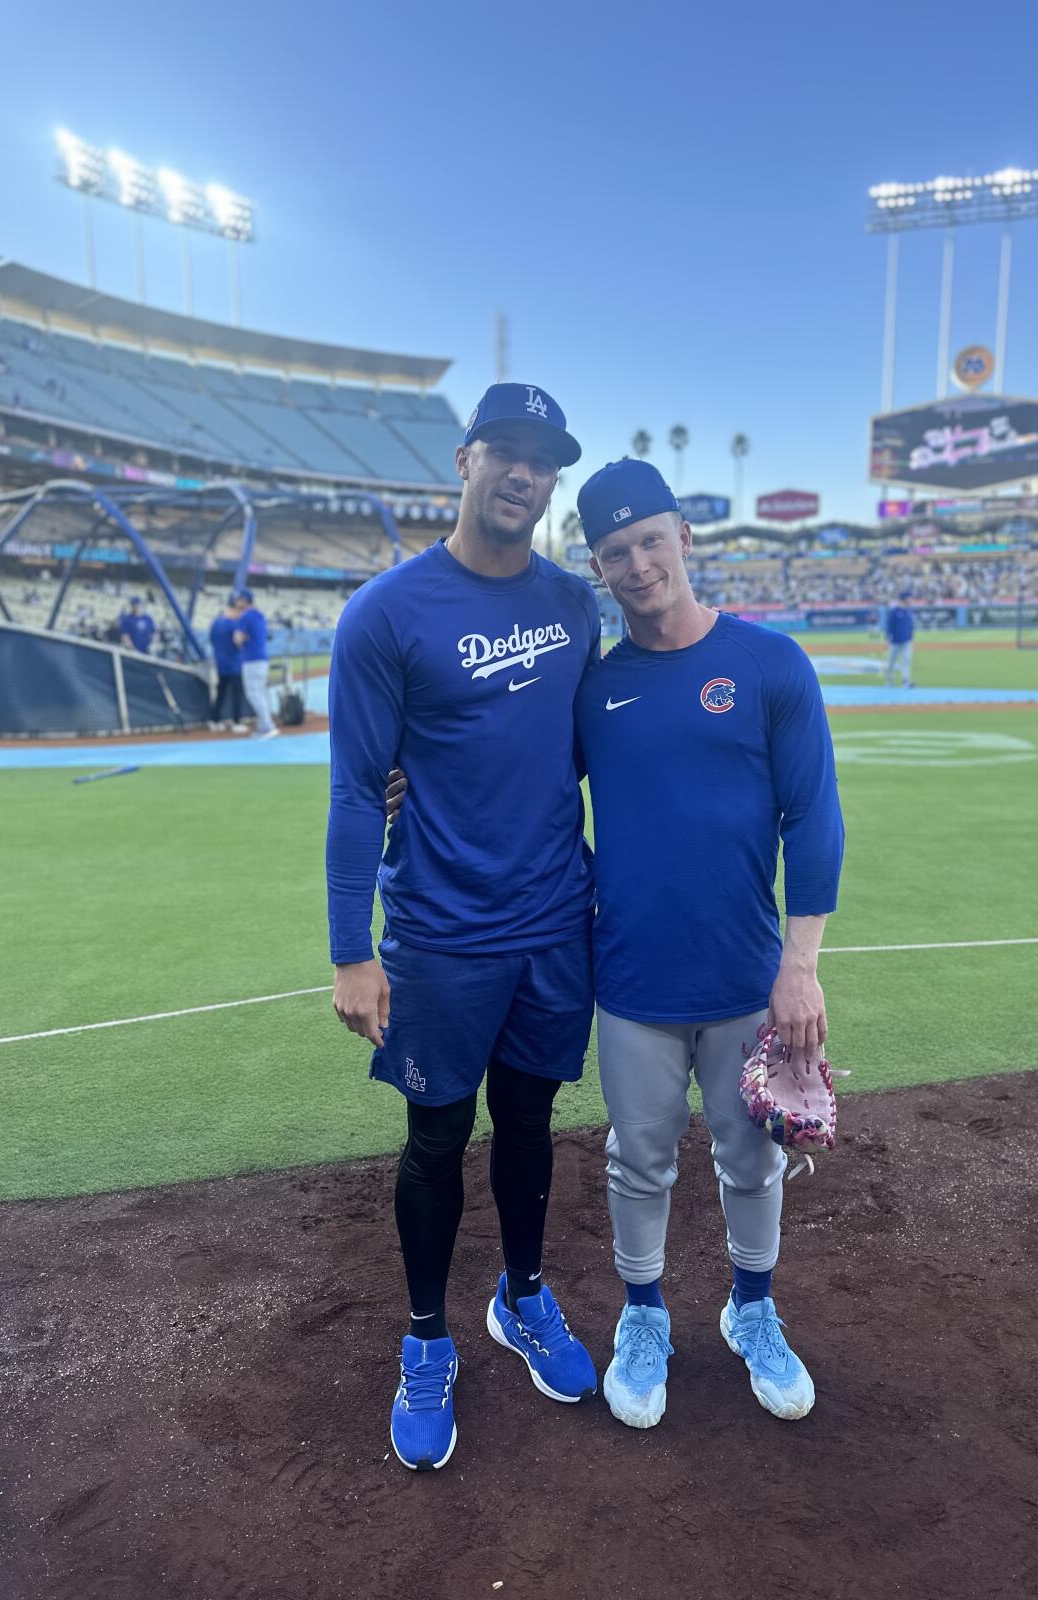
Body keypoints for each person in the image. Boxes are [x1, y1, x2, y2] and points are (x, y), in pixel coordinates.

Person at [327, 382, 599, 1472]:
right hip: (438, 935)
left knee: (530, 1124)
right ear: (465, 459)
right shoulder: (387, 611)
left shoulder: (576, 604)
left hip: (551, 922)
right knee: (436, 1136)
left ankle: (522, 1295)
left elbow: (587, 752)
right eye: (508, 452)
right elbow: (356, 788)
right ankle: (428, 1336)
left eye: (544, 458)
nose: (525, 473)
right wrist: (352, 947)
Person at [573, 460, 844, 1431]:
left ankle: (751, 1307)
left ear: (685, 538)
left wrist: (800, 964)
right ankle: (644, 1318)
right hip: (633, 975)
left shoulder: (770, 665)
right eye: (615, 551)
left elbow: (815, 820)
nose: (638, 564)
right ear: (598, 567)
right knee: (638, 1157)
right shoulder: (594, 687)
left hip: (745, 974)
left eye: (650, 540)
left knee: (751, 1155)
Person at [232, 588, 277, 740]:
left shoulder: (246, 616)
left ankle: (267, 726)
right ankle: (265, 725)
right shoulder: (259, 615)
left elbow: (237, 639)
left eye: (239, 600)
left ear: (245, 601)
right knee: (260, 693)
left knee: (254, 694)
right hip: (261, 658)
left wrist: (241, 639)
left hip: (251, 659)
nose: (237, 602)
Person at [208, 600, 244, 732]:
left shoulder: (215, 623)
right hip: (234, 664)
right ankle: (237, 722)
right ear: (233, 610)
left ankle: (214, 720)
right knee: (236, 693)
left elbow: (211, 640)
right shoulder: (234, 625)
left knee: (221, 693)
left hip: (220, 662)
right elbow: (238, 642)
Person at [883, 591, 915, 686]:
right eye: (909, 598)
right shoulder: (894, 611)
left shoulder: (909, 611)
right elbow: (889, 626)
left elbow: (910, 627)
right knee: (891, 662)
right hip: (895, 642)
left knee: (907, 661)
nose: (911, 600)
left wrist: (912, 640)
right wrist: (887, 640)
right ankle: (889, 680)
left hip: (907, 641)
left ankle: (906, 680)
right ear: (904, 599)